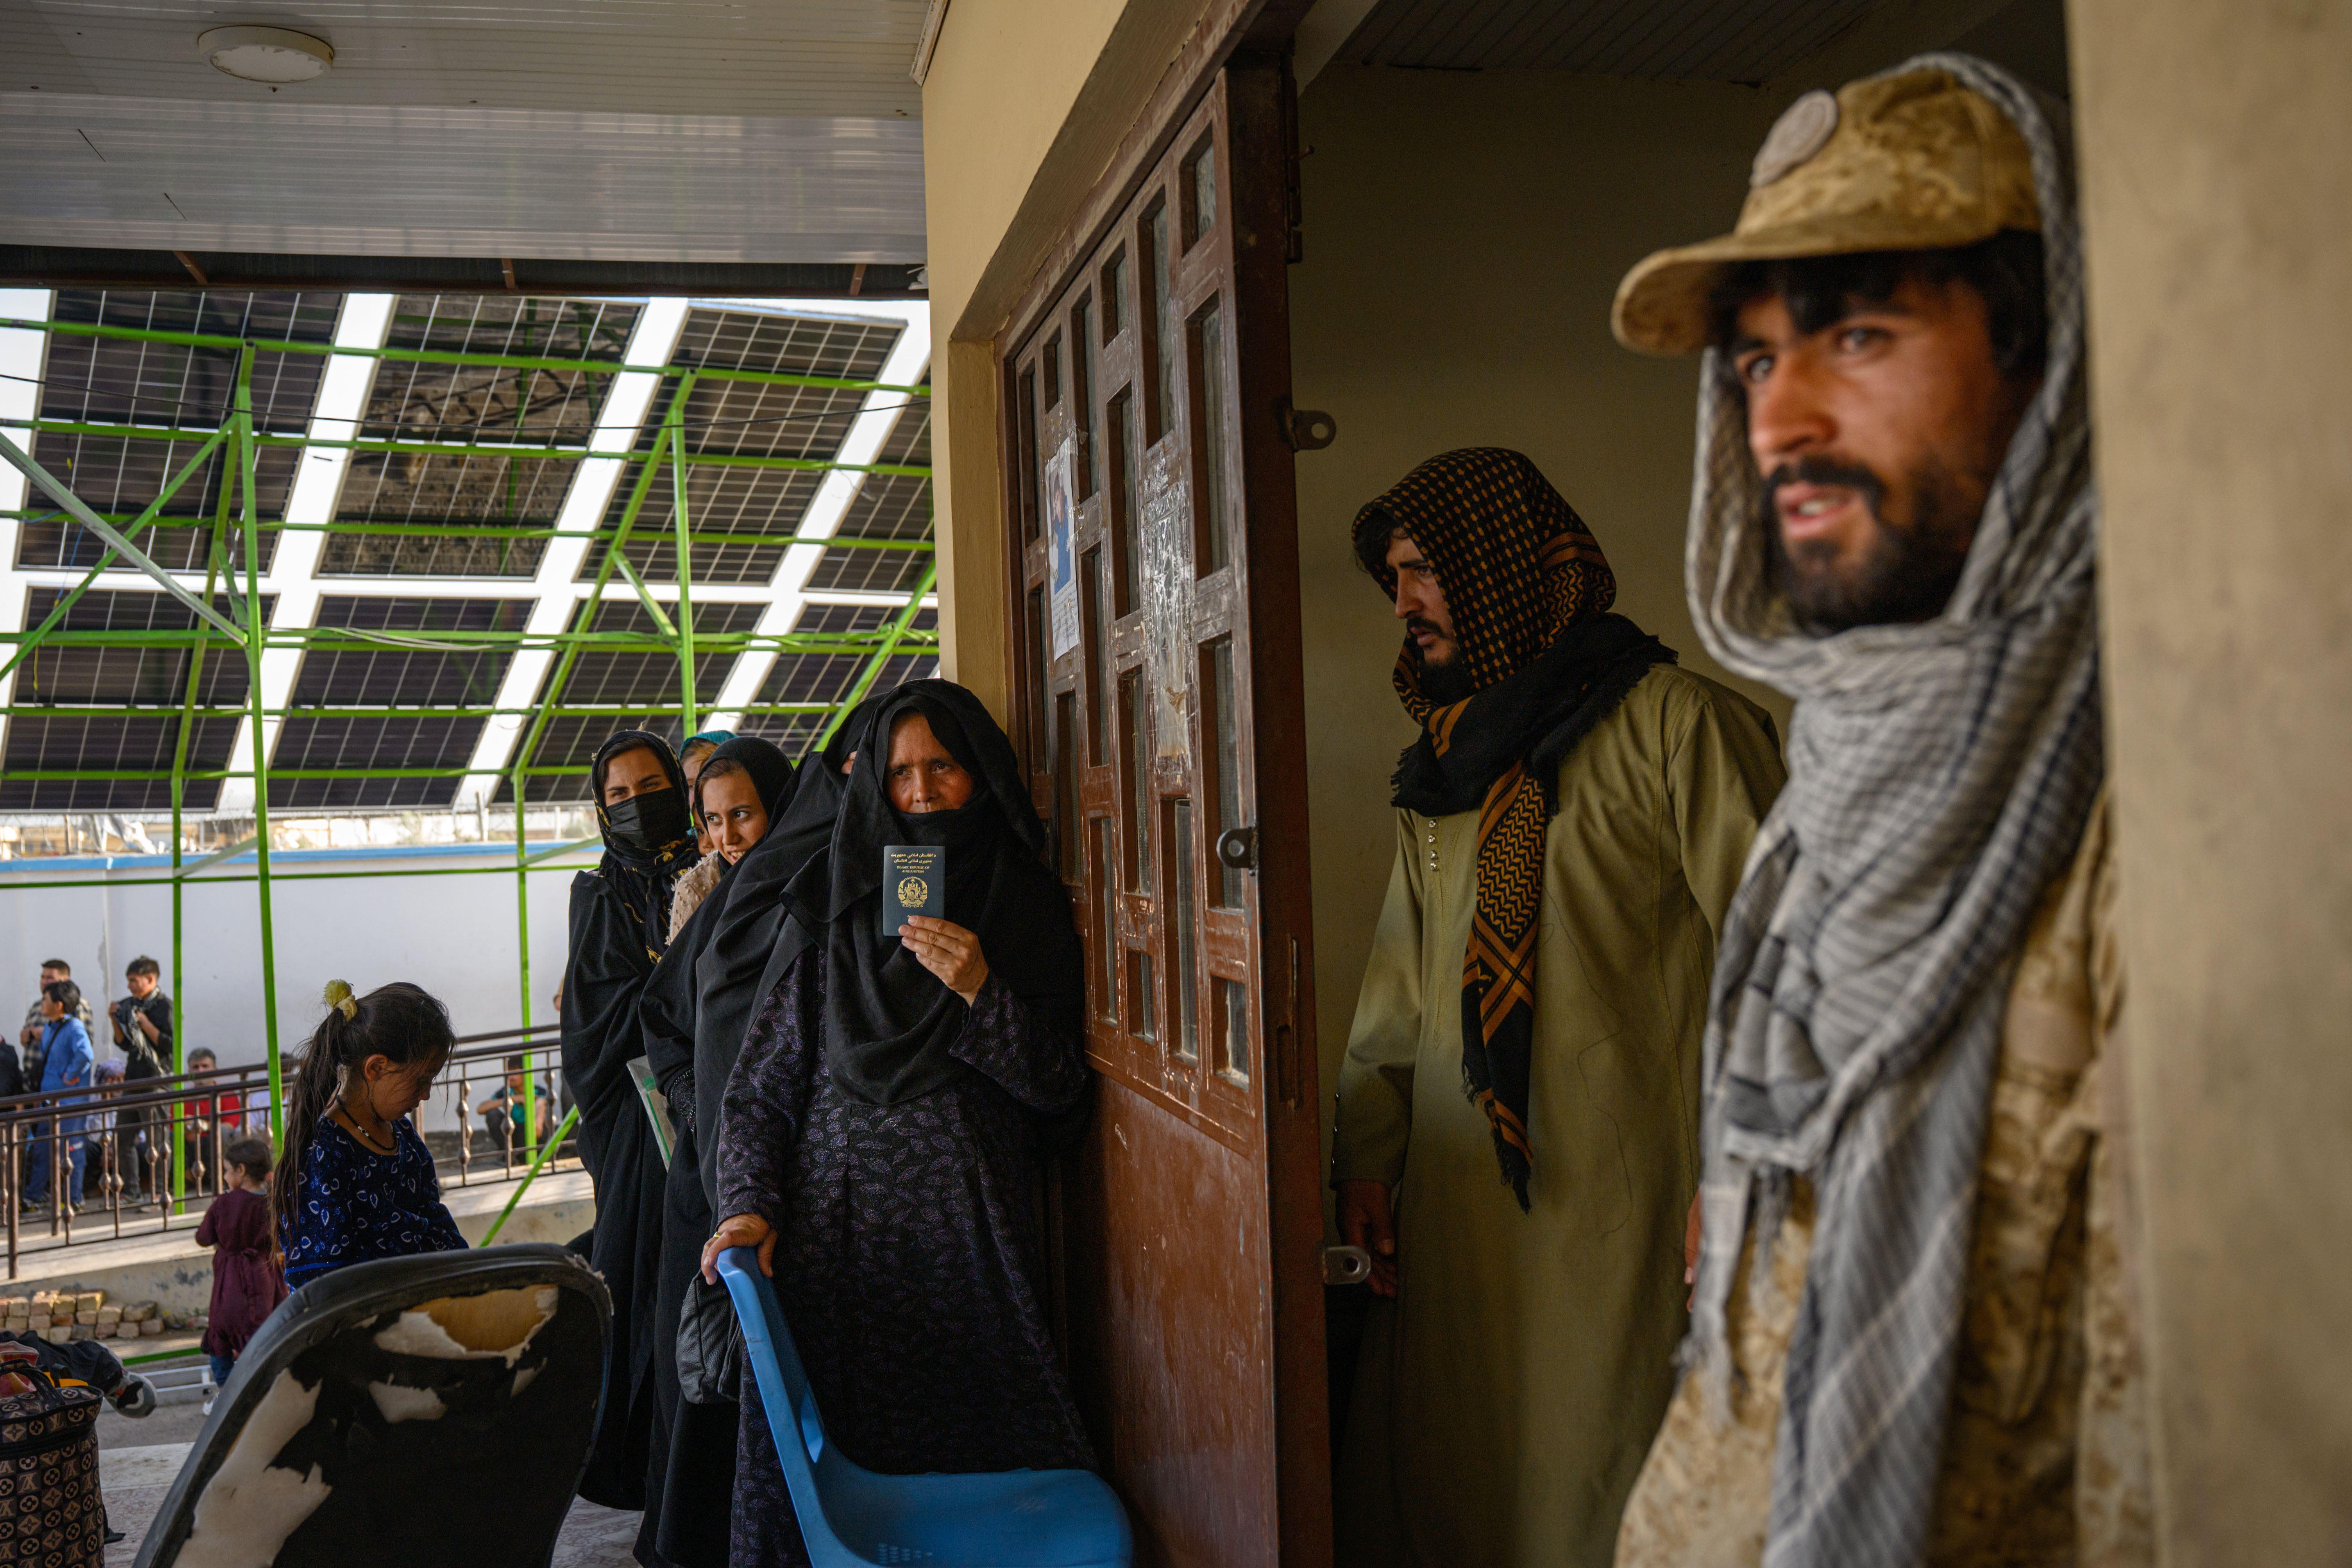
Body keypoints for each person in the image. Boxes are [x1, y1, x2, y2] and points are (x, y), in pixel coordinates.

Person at [1607, 57, 2149, 1567]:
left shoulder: (2159, 840)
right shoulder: (1828, 798)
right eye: (1752, 358)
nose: (1779, 416)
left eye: (1856, 333)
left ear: (2045, 369)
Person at [1324, 448, 1785, 1568]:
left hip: (1624, 1206)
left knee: (1606, 1481)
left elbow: (1789, 966)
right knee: (1450, 1483)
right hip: (1455, 1211)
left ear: (1500, 571)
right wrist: (1368, 1160)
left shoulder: (1681, 728)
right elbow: (1400, 982)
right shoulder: (1441, 767)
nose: (1406, 604)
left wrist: (1740, 1177)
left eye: (1427, 570)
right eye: (1393, 576)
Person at [635, 733, 803, 1568]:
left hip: (778, 1173)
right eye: (714, 819)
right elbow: (661, 1019)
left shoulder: (812, 892)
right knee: (700, 1366)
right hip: (704, 1172)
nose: (731, 835)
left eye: (744, 813)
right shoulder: (711, 904)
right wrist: (696, 1103)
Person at [562, 730, 697, 1511]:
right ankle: (639, 1465)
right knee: (637, 1275)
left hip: (705, 1108)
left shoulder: (714, 870)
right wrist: (669, 999)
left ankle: (700, 1461)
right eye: (617, 795)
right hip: (633, 1120)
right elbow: (589, 1023)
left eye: (650, 786)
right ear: (599, 807)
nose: (635, 804)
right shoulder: (598, 894)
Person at [273, 981, 467, 1292]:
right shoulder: (326, 1154)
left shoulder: (404, 1135)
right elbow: (322, 1284)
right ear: (376, 1067)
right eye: (420, 1080)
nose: (427, 1094)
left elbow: (434, 1219)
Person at [196, 1135, 286, 1411]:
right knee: (261, 1332)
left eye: (227, 1170)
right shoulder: (274, 1200)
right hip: (266, 1275)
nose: (224, 1176)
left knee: (221, 1333)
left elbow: (203, 1236)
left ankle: (226, 1390)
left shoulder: (224, 1203)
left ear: (242, 1170)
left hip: (231, 1278)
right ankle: (264, 1389)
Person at [23, 980, 95, 1214]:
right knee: (43, 1149)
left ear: (59, 1005)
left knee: (73, 1149)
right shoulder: (51, 1027)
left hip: (70, 1103)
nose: (42, 1004)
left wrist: (71, 1074)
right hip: (49, 1099)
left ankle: (74, 1198)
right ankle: (33, 1196)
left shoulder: (74, 1028)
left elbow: (86, 1054)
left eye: (46, 1000)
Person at [110, 958, 169, 1201]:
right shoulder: (129, 1005)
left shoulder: (165, 1006)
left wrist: (144, 1022)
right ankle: (132, 1192)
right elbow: (124, 1043)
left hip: (156, 1081)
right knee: (122, 1139)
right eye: (129, 981)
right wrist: (116, 1019)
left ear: (151, 979)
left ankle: (159, 1193)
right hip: (133, 1080)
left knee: (157, 1141)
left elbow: (169, 1044)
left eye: (134, 981)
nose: (130, 986)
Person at [180, 1047, 241, 1194]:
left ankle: (220, 1179)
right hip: (190, 1142)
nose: (200, 1071)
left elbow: (230, 1125)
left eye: (205, 1066)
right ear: (189, 1071)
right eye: (196, 1067)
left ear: (215, 1069)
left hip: (215, 1141)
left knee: (223, 1133)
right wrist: (185, 1130)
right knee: (172, 1137)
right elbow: (172, 1125)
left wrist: (204, 1126)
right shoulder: (183, 1098)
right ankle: (185, 1181)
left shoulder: (226, 1093)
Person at [473, 1056, 551, 1159]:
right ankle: (509, 1156)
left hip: (533, 1134)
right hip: (513, 1134)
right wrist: (513, 1099)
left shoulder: (538, 1091)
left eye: (515, 1073)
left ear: (525, 1073)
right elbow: (481, 1109)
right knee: (493, 1114)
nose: (511, 1077)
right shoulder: (506, 1092)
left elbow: (541, 1105)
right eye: (508, 1073)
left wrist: (539, 1119)